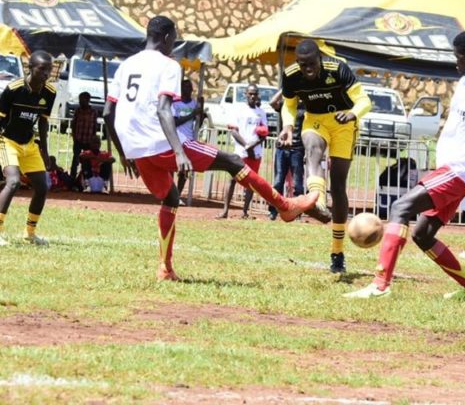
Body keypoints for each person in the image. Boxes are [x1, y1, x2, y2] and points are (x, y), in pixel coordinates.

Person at [102, 15, 318, 281]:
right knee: (233, 162)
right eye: (174, 38)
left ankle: (165, 269)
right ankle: (285, 206)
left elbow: (108, 112)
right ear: (167, 37)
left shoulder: (126, 65)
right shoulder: (168, 65)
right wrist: (179, 151)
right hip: (160, 142)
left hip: (135, 147)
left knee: (170, 198)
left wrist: (123, 152)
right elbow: (163, 109)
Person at [344, 31, 465, 299]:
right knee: (422, 234)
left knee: (400, 207)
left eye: (457, 57)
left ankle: (380, 285)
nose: (455, 62)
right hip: (449, 169)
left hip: (461, 170)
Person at [278, 39, 372, 273]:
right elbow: (289, 105)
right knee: (312, 149)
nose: (308, 69)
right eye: (303, 64)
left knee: (338, 185)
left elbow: (364, 101)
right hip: (314, 120)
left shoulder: (337, 68)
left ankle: (337, 251)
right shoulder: (291, 75)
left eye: (311, 63)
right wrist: (288, 126)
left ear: (319, 58)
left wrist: (352, 114)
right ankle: (317, 202)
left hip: (344, 123)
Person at [0, 51, 55, 246]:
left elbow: (43, 122)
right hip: (7, 141)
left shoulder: (50, 92)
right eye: (42, 69)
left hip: (29, 144)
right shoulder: (14, 89)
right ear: (30, 68)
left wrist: (45, 151)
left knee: (42, 187)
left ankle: (29, 233)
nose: (46, 74)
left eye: (49, 70)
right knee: (13, 182)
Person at [216, 84, 268, 219]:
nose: (252, 96)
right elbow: (234, 131)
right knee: (232, 179)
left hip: (255, 153)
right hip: (240, 152)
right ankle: (225, 211)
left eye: (255, 94)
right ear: (245, 94)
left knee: (252, 182)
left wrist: (253, 146)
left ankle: (245, 212)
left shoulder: (261, 113)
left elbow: (264, 134)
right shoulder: (238, 110)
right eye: (250, 94)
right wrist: (246, 146)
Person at [268, 90, 305, 221]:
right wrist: (284, 89)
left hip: (298, 149)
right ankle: (273, 210)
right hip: (282, 148)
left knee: (298, 184)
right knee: (278, 182)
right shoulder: (285, 105)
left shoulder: (306, 107)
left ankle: (297, 212)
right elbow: (272, 102)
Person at [172, 79, 204, 202]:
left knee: (184, 170)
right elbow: (175, 122)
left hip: (188, 140)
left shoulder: (194, 104)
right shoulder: (175, 104)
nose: (187, 89)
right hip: (175, 139)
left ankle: (177, 195)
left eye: (189, 87)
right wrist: (192, 114)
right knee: (171, 168)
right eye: (185, 87)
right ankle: (169, 194)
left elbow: (198, 123)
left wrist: (201, 108)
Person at [70, 91, 98, 181]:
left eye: (82, 100)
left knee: (87, 161)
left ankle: (85, 178)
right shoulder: (78, 111)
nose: (80, 102)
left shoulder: (93, 112)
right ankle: (72, 179)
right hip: (78, 139)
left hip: (88, 140)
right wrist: (74, 137)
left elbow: (95, 126)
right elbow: (73, 124)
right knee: (75, 160)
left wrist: (93, 140)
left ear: (88, 100)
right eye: (80, 100)